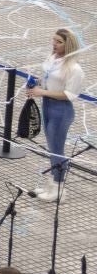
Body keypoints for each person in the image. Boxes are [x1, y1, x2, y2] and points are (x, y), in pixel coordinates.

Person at [26, 28, 85, 201]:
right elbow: (49, 79)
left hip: (61, 110)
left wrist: (42, 93)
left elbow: (69, 94)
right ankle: (51, 183)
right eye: (54, 40)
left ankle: (58, 189)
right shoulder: (53, 58)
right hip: (48, 106)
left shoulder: (74, 68)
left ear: (68, 45)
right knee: (52, 148)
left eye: (59, 42)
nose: (54, 44)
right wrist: (37, 83)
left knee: (57, 150)